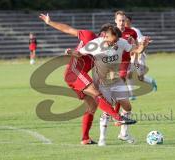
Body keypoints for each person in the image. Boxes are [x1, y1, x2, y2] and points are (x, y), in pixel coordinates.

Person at [39, 14, 136, 145]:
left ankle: (85, 138)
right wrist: (50, 22)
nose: (112, 42)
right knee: (97, 94)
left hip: (81, 75)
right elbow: (68, 30)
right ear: (104, 34)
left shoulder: (110, 46)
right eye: (110, 37)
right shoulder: (90, 37)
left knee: (92, 105)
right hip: (74, 72)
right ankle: (117, 117)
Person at [67, 25, 150, 146]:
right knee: (108, 109)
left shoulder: (121, 42)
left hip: (116, 80)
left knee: (127, 107)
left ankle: (123, 134)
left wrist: (144, 45)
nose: (115, 42)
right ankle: (102, 139)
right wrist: (70, 52)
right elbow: (79, 54)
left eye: (117, 40)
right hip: (101, 82)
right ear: (106, 36)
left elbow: (136, 50)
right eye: (113, 40)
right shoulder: (94, 44)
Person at [125, 16, 157, 92]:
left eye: (126, 21)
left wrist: (144, 43)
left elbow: (140, 43)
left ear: (130, 22)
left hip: (138, 57)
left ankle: (152, 81)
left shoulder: (135, 31)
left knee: (140, 77)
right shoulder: (121, 31)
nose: (124, 23)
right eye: (123, 21)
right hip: (130, 57)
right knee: (129, 74)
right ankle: (131, 95)